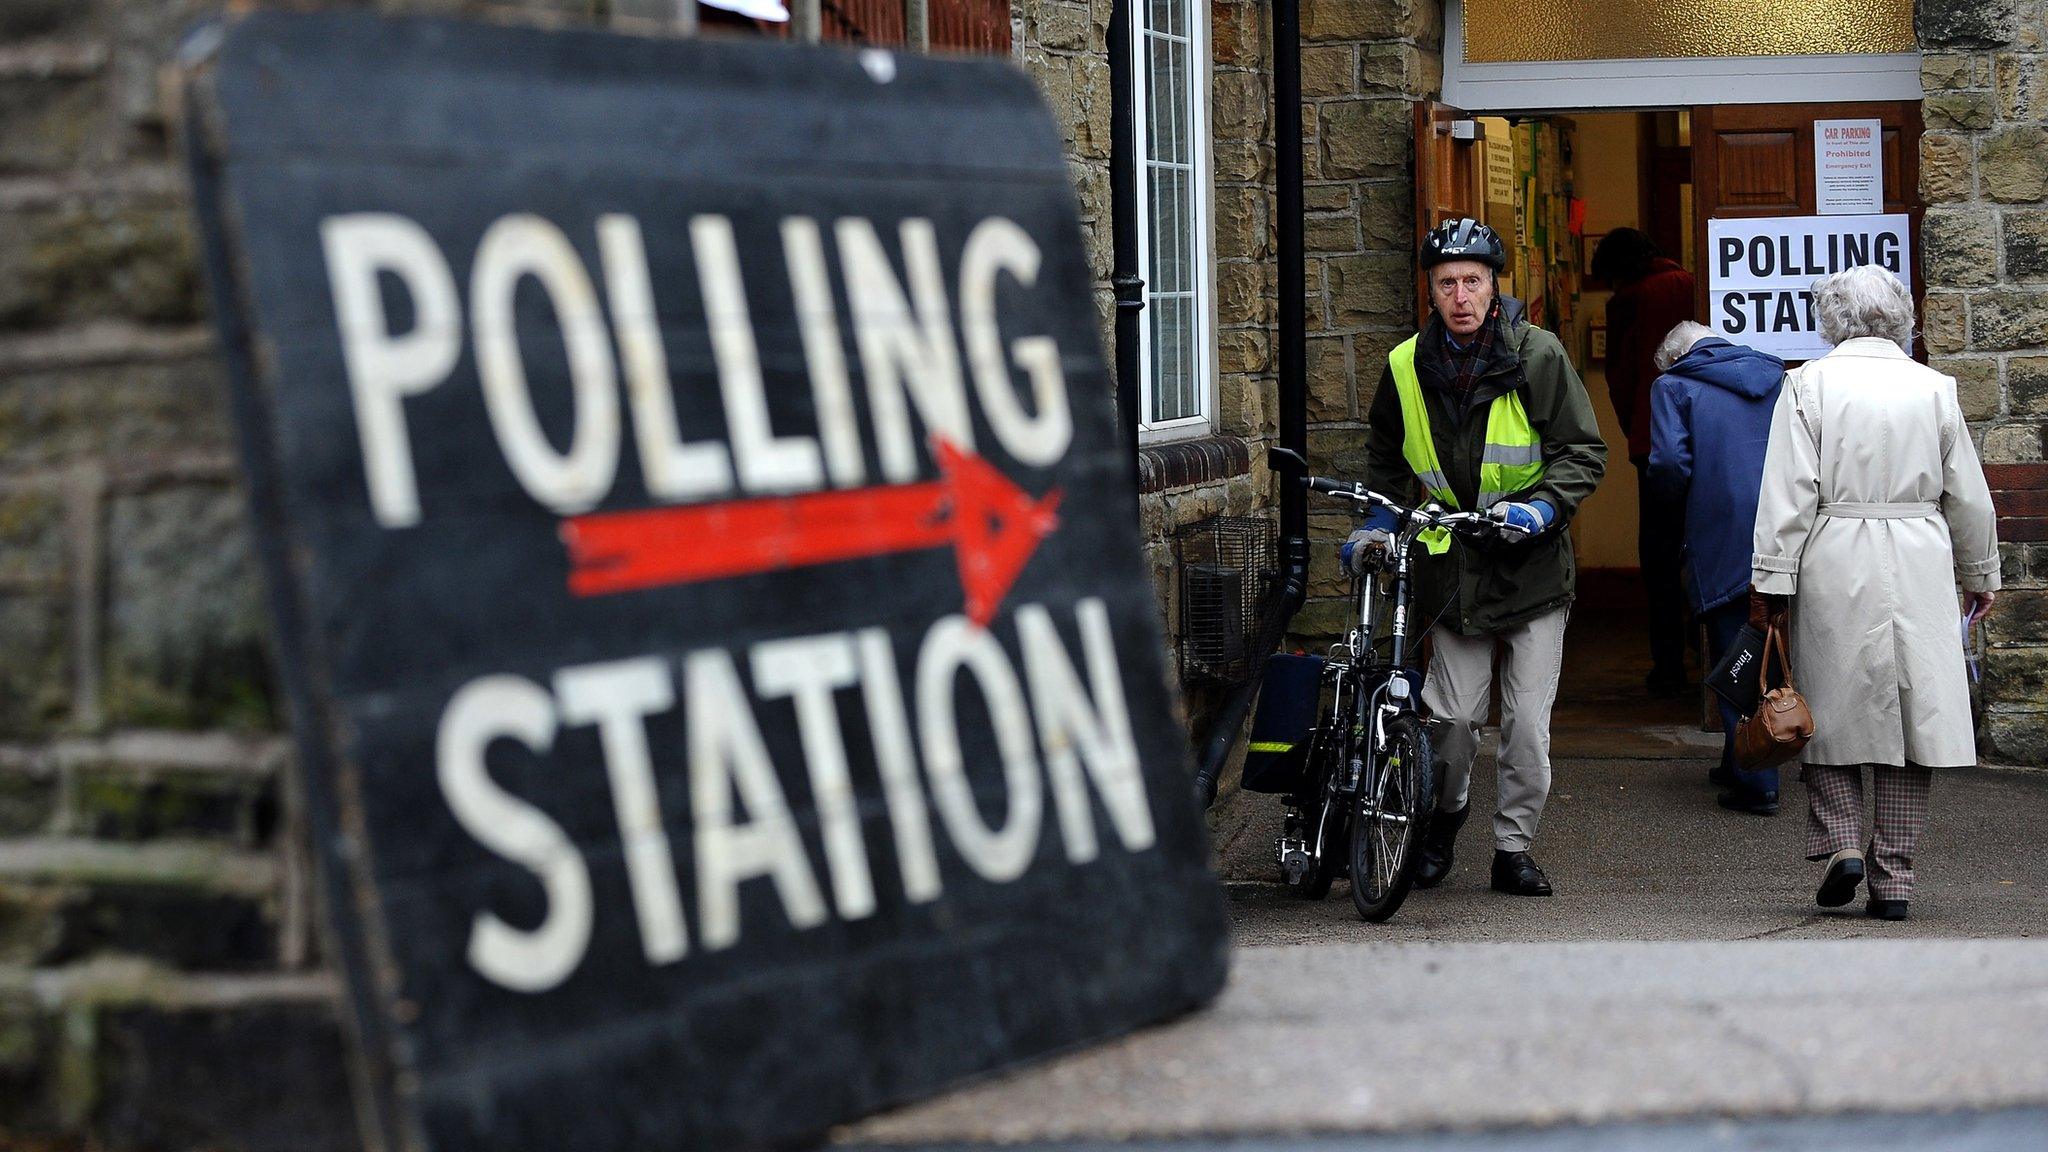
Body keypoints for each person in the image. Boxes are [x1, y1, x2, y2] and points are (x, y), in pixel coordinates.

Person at [1347, 218, 1607, 896]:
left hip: (1531, 568)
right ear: (1429, 293)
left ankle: (1513, 849)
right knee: (1453, 722)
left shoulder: (1537, 355)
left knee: (1525, 726)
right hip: (1452, 572)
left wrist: (1543, 508)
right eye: (1446, 283)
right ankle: (1445, 817)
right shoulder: (1406, 365)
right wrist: (1377, 520)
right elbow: (1383, 455)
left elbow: (1583, 451)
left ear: (1494, 287)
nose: (1460, 295)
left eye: (1472, 281)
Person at [1751, 265, 2000, 922]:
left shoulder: (1807, 386)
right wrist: (1980, 574)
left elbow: (1787, 494)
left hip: (1833, 549)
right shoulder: (1935, 389)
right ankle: (1895, 876)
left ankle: (1839, 844)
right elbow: (1968, 497)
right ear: (1900, 317)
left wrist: (1771, 582)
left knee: (1827, 706)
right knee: (1910, 719)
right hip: (1920, 549)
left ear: (1832, 317)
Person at [1645, 321, 1786, 815]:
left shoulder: (1673, 385)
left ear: (1676, 356)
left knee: (1735, 652)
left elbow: (1666, 464)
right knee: (1769, 644)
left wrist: (1674, 509)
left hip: (1719, 528)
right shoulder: (1775, 376)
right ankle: (1737, 758)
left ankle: (1758, 779)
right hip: (1784, 526)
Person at [1592, 229, 1697, 696]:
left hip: (1651, 438)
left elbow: (1620, 375)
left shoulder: (1628, 300)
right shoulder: (1694, 282)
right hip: (1705, 435)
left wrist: (1633, 425)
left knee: (1659, 555)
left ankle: (1669, 664)